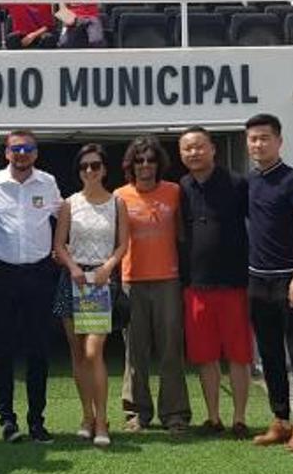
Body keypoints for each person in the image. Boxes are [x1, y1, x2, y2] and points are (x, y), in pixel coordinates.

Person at [0, 130, 62, 444]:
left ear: (36, 153)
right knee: (1, 349)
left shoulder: (48, 182)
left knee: (38, 349)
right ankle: (7, 420)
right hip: (1, 273)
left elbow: (64, 217)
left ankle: (36, 420)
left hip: (39, 274)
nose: (22, 153)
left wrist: (62, 250)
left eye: (28, 148)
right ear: (6, 153)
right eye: (16, 148)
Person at [244, 113, 293, 453]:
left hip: (290, 280)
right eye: (253, 138)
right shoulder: (251, 181)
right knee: (270, 353)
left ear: (279, 141)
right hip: (258, 280)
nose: (258, 144)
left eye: (264, 138)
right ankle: (280, 420)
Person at [51, 143, 130, 448]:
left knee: (93, 352)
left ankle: (102, 420)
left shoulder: (117, 203)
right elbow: (59, 243)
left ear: (104, 169)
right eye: (84, 167)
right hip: (73, 279)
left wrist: (107, 268)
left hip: (99, 281)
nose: (89, 171)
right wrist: (72, 267)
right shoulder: (70, 203)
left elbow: (123, 244)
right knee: (77, 353)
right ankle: (86, 416)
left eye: (95, 165)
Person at [178, 127, 253, 439]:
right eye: (187, 149)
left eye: (199, 147)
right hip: (196, 285)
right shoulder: (181, 186)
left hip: (234, 284)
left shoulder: (238, 183)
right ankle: (213, 417)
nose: (194, 153)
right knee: (205, 356)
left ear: (213, 149)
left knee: (238, 354)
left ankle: (239, 419)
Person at [116, 136, 191, 434]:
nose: (145, 166)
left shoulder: (174, 192)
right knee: (134, 351)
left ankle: (175, 414)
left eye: (150, 160)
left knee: (171, 349)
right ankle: (137, 413)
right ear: (130, 165)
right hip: (131, 281)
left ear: (159, 163)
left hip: (168, 281)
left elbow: (185, 235)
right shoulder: (119, 196)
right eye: (139, 160)